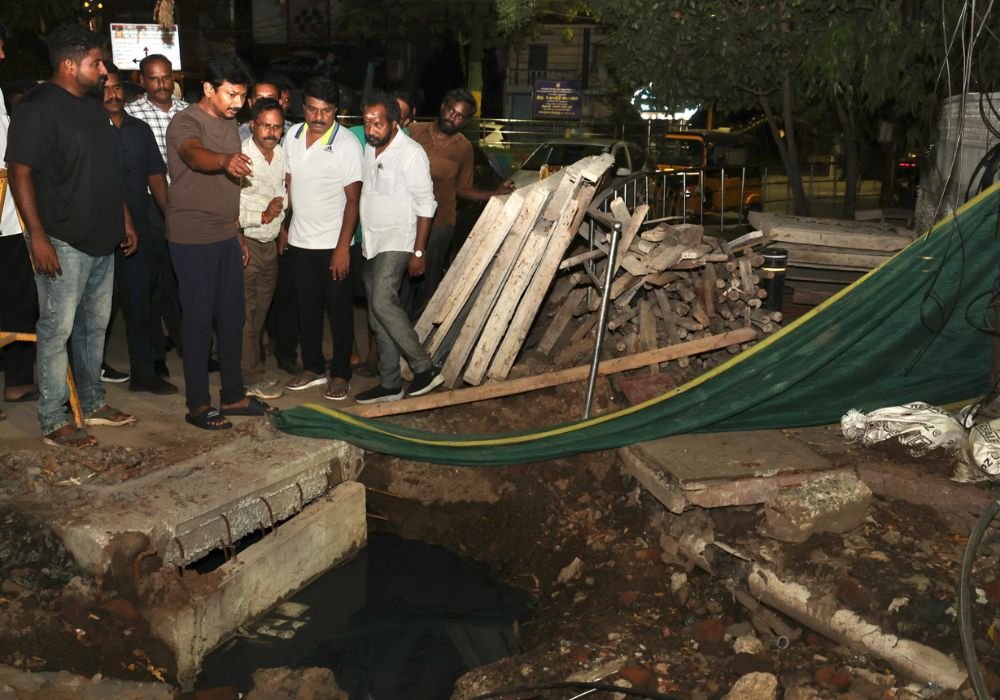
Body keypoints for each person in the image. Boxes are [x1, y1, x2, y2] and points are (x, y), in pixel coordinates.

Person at [6, 22, 138, 447]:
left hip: (103, 236)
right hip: (61, 238)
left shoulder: (92, 106)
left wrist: (126, 220)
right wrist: (39, 237)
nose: (103, 70)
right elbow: (21, 173)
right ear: (68, 64)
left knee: (94, 328)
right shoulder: (36, 108)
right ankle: (53, 417)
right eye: (95, 62)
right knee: (56, 330)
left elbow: (105, 171)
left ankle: (94, 402)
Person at [165, 53, 274, 430]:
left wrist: (237, 232)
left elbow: (230, 190)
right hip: (192, 239)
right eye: (230, 95)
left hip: (226, 236)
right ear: (209, 89)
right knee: (197, 322)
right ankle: (197, 404)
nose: (238, 104)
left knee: (231, 320)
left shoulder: (230, 122)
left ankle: (233, 396)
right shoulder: (186, 121)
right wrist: (225, 160)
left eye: (242, 97)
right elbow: (193, 155)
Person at [355, 91, 442, 404]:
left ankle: (425, 368)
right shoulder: (369, 149)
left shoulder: (411, 153)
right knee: (378, 315)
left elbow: (426, 204)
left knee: (382, 300)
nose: (371, 128)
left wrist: (418, 251)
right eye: (366, 122)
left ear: (394, 123)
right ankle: (390, 383)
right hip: (372, 241)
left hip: (398, 239)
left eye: (377, 123)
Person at [280, 78, 362, 401]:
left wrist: (343, 247)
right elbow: (287, 185)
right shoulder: (292, 136)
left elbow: (354, 200)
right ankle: (313, 368)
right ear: (304, 108)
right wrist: (284, 227)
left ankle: (341, 372)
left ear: (335, 111)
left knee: (340, 312)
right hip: (300, 243)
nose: (318, 116)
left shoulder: (346, 145)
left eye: (326, 110)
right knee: (307, 309)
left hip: (334, 246)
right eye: (313, 109)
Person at [407, 88, 514, 319]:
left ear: (466, 121)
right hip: (403, 221)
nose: (453, 118)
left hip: (439, 225)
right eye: (451, 111)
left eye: (461, 116)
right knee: (400, 284)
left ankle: (418, 338)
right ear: (442, 106)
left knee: (426, 285)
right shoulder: (413, 132)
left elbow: (462, 188)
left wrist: (494, 194)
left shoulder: (463, 148)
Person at [102, 62, 177, 395]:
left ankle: (143, 374)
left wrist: (172, 220)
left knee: (140, 302)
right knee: (97, 308)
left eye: (117, 87)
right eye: (105, 88)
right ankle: (86, 379)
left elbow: (155, 177)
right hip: (98, 231)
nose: (112, 94)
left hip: (140, 228)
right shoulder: (89, 128)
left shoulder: (139, 128)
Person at [126, 53, 186, 372]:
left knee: (182, 279)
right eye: (154, 78)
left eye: (166, 77)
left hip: (185, 203)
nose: (161, 85)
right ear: (142, 81)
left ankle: (188, 345)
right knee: (151, 279)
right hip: (148, 205)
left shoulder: (187, 111)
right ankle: (155, 357)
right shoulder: (130, 114)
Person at [0, 23, 38, 420]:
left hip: (11, 220)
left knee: (17, 302)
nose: (3, 55)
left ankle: (17, 380)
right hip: (5, 217)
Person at [238, 97, 286, 400]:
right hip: (246, 243)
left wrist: (279, 224)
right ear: (253, 125)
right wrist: (264, 216)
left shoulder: (280, 154)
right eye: (265, 126)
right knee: (245, 313)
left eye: (277, 127)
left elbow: (281, 193)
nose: (271, 132)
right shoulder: (241, 157)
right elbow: (228, 207)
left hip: (270, 244)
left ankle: (247, 368)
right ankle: (249, 378)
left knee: (259, 314)